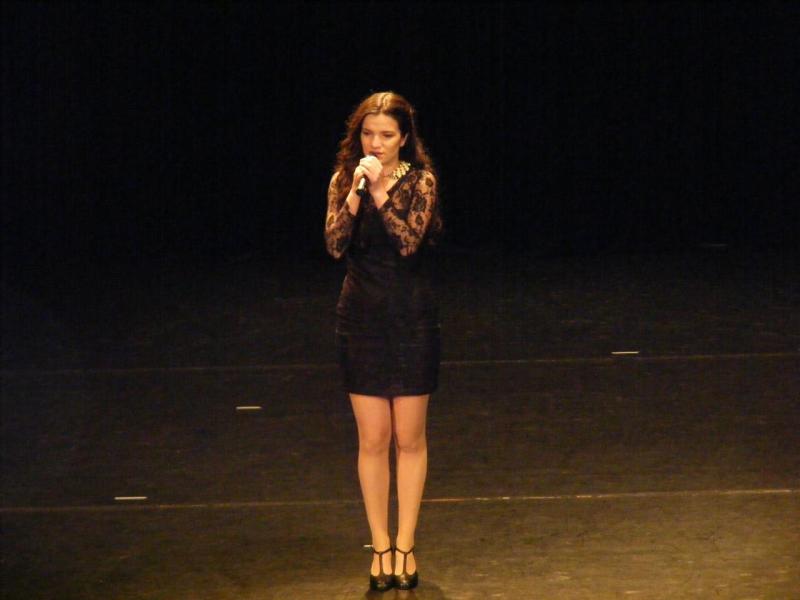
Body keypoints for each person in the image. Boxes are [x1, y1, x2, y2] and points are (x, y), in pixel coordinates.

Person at [324, 91, 442, 592]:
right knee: (372, 439)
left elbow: (408, 242)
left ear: (404, 138)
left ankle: (406, 543)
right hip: (361, 319)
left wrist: (379, 192)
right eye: (368, 134)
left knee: (408, 439)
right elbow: (334, 244)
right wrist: (356, 191)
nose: (375, 143)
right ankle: (380, 544)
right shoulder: (343, 180)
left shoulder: (420, 182)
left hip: (411, 320)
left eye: (386, 135)